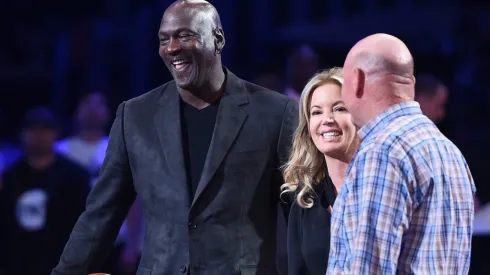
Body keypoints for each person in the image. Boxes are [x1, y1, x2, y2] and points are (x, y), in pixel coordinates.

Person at [51, 1, 298, 275]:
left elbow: (301, 213)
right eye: (163, 39)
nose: (171, 48)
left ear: (217, 39)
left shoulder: (275, 112)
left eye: (184, 35)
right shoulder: (134, 116)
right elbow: (101, 215)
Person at [327, 33, 476, 274]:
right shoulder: (450, 152)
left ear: (357, 80)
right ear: (411, 83)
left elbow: (369, 268)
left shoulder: (381, 152)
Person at [281, 68, 360, 275]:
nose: (327, 119)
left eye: (339, 109)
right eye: (316, 112)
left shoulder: (381, 189)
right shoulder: (305, 199)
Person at [0, 107, 91, 275]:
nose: (39, 136)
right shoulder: (9, 177)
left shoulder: (75, 176)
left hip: (62, 263)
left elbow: (85, 222)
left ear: (55, 133)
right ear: (23, 134)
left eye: (45, 129)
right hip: (18, 264)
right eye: (33, 130)